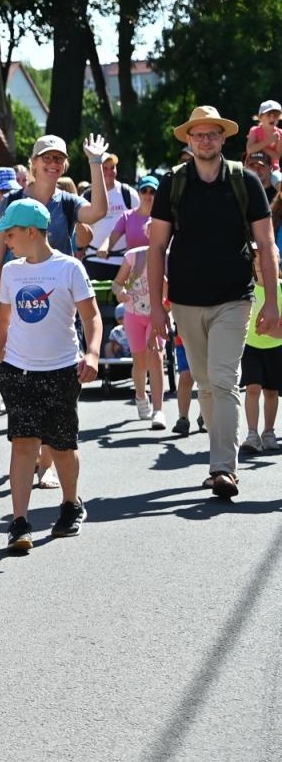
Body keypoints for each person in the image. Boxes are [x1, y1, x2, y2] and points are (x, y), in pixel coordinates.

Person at [148, 105, 279, 501]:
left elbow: (267, 244)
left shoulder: (245, 182)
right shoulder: (174, 183)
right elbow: (156, 248)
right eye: (198, 135)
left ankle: (223, 468)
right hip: (186, 301)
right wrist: (157, 308)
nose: (205, 141)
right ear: (189, 140)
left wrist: (272, 303)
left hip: (234, 299)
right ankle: (220, 457)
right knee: (205, 383)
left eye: (212, 134)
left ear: (224, 138)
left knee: (223, 379)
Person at [0, 201, 102, 553]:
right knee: (23, 444)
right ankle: (19, 521)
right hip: (19, 371)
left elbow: (92, 318)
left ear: (32, 232)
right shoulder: (11, 272)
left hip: (62, 370)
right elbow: (3, 322)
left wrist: (92, 353)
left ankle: (70, 504)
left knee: (62, 445)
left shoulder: (69, 269)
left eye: (10, 233)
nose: (6, 241)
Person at [0, 134, 113, 288]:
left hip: (60, 293)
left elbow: (98, 212)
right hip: (21, 293)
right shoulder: (12, 201)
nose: (53, 163)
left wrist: (95, 161)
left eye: (59, 158)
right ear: (34, 161)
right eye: (46, 157)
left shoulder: (69, 202)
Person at [112, 243, 167, 429]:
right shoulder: (133, 256)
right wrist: (121, 293)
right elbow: (116, 284)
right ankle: (141, 395)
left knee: (156, 357)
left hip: (157, 314)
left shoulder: (169, 257)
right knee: (140, 362)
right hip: (133, 314)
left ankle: (158, 410)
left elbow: (172, 293)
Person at [239, 252, 282, 454]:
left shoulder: (280, 290)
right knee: (252, 389)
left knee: (271, 392)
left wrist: (271, 330)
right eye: (257, 268)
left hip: (275, 347)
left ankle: (269, 432)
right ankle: (252, 434)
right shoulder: (247, 290)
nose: (261, 272)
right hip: (250, 347)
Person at [82, 152, 140, 281]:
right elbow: (80, 227)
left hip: (122, 261)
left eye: (112, 167)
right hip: (92, 259)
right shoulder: (87, 195)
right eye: (105, 168)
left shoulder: (128, 193)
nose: (109, 172)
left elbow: (141, 220)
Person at [247, 98, 282, 171]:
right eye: (269, 115)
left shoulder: (280, 133)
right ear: (260, 117)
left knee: (278, 180)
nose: (272, 118)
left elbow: (277, 156)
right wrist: (268, 140)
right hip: (254, 165)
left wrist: (260, 148)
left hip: (272, 168)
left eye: (275, 115)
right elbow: (249, 150)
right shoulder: (254, 130)